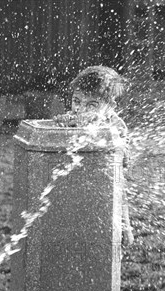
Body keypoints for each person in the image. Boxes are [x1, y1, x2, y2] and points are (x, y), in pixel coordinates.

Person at [53, 65, 134, 245]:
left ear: (110, 107)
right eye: (77, 101)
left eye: (91, 105)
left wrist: (125, 224)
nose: (80, 109)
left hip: (104, 189)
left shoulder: (116, 128)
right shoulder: (70, 120)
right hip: (72, 188)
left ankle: (122, 228)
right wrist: (60, 127)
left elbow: (120, 179)